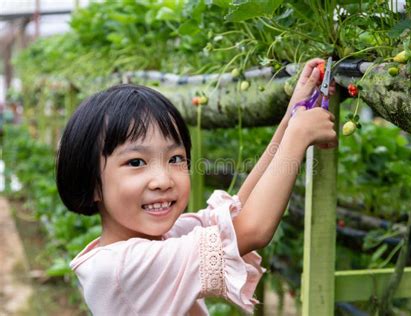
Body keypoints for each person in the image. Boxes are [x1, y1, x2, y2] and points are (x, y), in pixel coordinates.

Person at [56, 58, 337, 315]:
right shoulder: (121, 268)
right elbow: (251, 230)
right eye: (136, 162)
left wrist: (290, 120)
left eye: (175, 158)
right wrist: (298, 137)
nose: (163, 180)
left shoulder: (159, 238)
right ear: (92, 183)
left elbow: (237, 215)